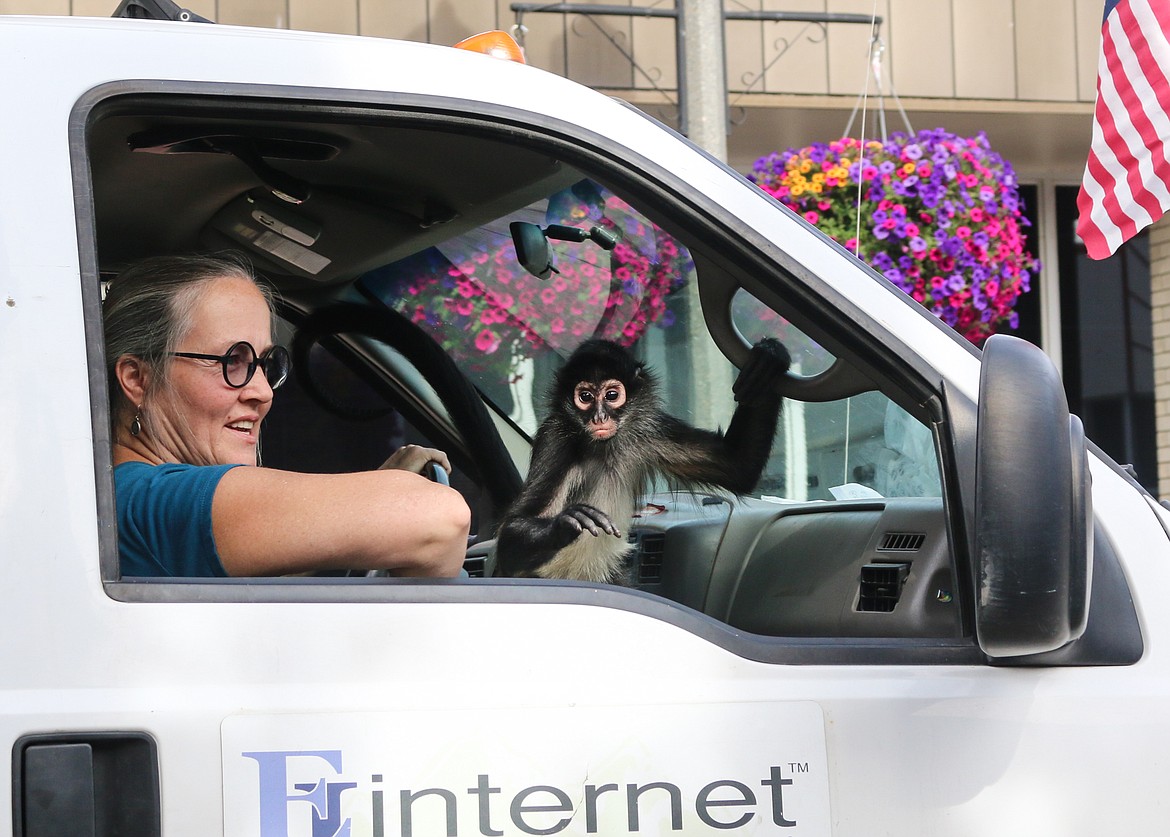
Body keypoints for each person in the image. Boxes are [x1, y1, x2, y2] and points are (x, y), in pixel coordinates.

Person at [103, 253, 471, 578]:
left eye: (265, 363)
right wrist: (389, 496)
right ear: (137, 379)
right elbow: (438, 516)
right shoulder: (148, 500)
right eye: (232, 361)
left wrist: (375, 493)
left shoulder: (123, 505)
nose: (263, 392)